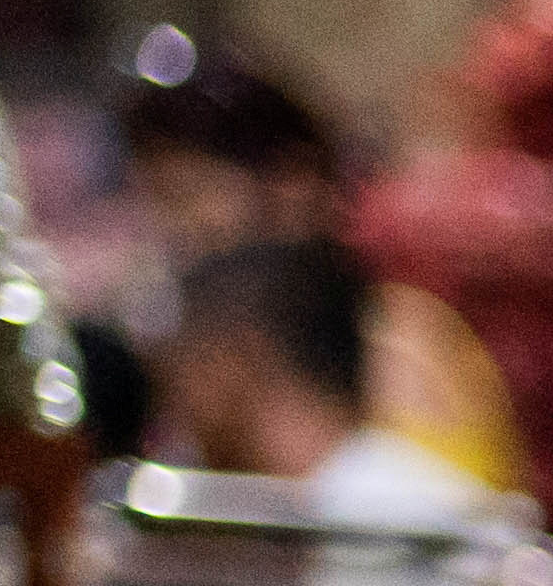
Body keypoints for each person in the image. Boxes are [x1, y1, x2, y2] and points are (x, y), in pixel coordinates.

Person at [115, 52, 527, 499]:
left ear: (295, 185)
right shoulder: (186, 342)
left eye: (188, 194)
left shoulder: (394, 348)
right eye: (155, 197)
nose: (171, 226)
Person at [158, 237, 497, 529]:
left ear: (237, 358)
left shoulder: (405, 518)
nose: (174, 387)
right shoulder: (304, 501)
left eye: (188, 354)